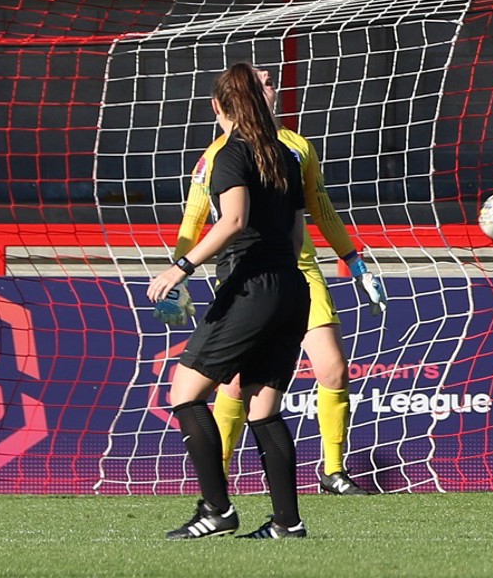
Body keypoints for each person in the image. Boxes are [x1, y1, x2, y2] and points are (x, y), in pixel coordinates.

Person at [166, 66, 385, 496]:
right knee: (237, 387)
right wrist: (180, 272)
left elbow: (319, 209)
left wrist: (354, 262)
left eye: (272, 81)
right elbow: (196, 218)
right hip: (249, 275)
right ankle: (220, 479)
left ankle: (332, 472)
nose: (272, 86)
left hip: (297, 272)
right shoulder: (218, 154)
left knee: (333, 369)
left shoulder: (296, 147)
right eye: (263, 81)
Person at [147, 62, 310, 539]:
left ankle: (217, 510)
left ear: (217, 106)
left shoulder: (229, 154)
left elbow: (233, 220)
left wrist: (182, 266)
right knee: (263, 409)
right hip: (291, 288)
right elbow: (298, 235)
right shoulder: (285, 154)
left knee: (184, 394)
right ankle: (286, 523)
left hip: (251, 288)